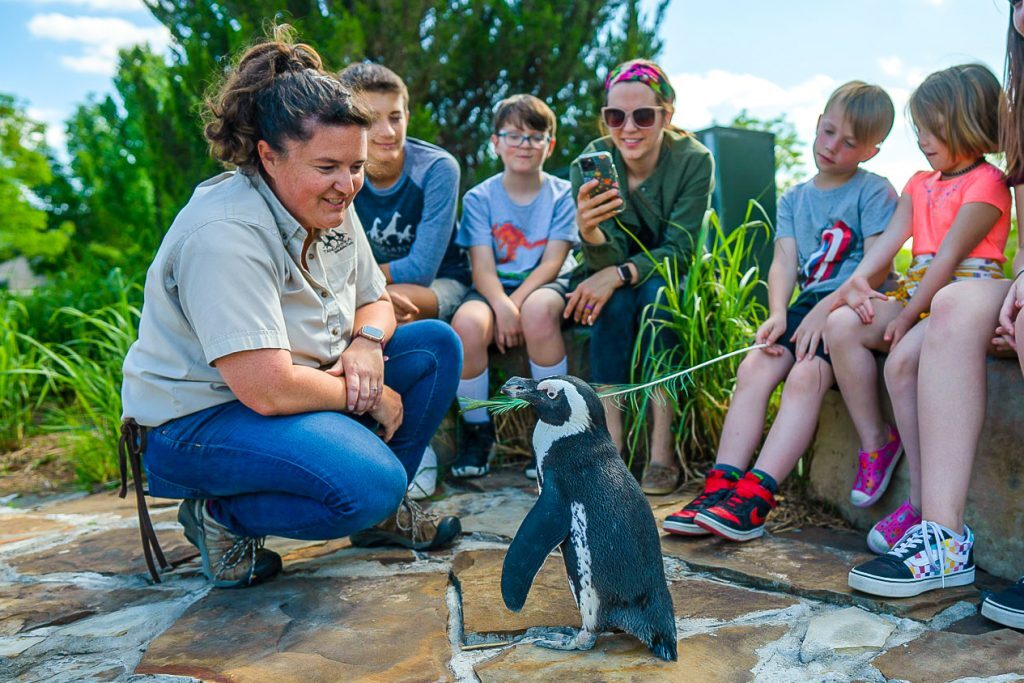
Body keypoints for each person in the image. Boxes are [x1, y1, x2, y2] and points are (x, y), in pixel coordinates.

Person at [120, 32, 462, 589]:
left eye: (356, 166)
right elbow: (268, 388)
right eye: (329, 166)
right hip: (197, 422)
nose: (347, 186)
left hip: (297, 383)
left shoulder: (327, 197)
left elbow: (375, 298)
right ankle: (218, 517)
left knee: (434, 347)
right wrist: (369, 391)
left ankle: (378, 517)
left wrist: (366, 345)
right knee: (369, 481)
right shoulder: (225, 233)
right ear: (268, 156)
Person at [846, 6, 1024, 621]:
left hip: (964, 287)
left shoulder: (988, 184)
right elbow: (889, 248)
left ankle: (932, 518)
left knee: (931, 318)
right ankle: (934, 522)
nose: (919, 137)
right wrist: (857, 287)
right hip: (944, 297)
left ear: (967, 123)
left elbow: (950, 260)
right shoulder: (922, 182)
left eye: (930, 125)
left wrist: (906, 311)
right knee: (903, 358)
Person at [663, 82, 898, 541]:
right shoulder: (794, 198)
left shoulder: (874, 192)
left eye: (849, 142)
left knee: (806, 375)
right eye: (828, 131)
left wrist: (824, 309)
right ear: (817, 123)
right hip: (805, 308)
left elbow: (877, 265)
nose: (831, 146)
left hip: (854, 308)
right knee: (756, 365)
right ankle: (721, 484)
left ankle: (758, 494)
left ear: (870, 150)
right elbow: (784, 261)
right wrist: (777, 312)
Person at [567, 59, 714, 495]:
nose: (628, 128)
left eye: (643, 116)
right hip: (609, 275)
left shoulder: (693, 160)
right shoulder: (591, 162)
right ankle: (611, 447)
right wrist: (591, 232)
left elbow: (682, 247)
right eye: (616, 116)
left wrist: (618, 272)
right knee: (609, 304)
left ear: (667, 115)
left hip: (665, 274)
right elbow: (602, 258)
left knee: (659, 298)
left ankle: (661, 450)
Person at [338, 62, 470, 499]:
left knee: (389, 304)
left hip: (436, 287)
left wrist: (369, 290)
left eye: (395, 116)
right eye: (371, 119)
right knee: (368, 308)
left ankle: (421, 444)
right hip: (370, 294)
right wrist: (370, 293)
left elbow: (421, 268)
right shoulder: (341, 169)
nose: (386, 131)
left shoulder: (436, 169)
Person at [449, 94, 578, 480]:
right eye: (514, 135)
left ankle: (555, 431)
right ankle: (477, 430)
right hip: (493, 288)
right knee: (468, 324)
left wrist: (515, 305)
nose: (525, 145)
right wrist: (501, 305)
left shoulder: (562, 194)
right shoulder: (479, 198)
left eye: (535, 137)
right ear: (495, 142)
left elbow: (553, 261)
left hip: (543, 284)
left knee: (538, 313)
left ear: (550, 145)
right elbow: (482, 266)